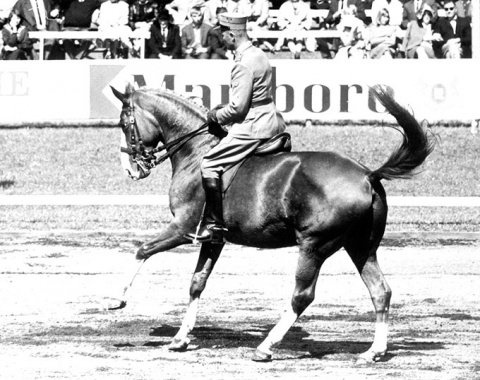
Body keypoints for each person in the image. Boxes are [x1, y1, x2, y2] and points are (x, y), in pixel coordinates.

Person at [185, 13, 286, 244]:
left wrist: (214, 115)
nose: (222, 38)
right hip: (271, 119)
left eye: (224, 34)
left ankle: (214, 225)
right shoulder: (258, 53)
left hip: (254, 125)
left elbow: (239, 109)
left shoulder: (243, 63)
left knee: (209, 162)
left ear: (232, 34)